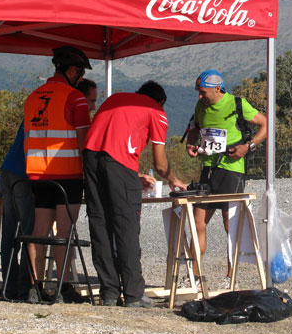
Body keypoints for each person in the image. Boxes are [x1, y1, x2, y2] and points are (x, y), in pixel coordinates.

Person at [82, 80, 187, 307]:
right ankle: (133, 294)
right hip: (119, 164)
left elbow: (108, 146)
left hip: (90, 159)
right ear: (161, 102)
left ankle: (109, 292)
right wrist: (174, 180)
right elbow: (160, 164)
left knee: (100, 224)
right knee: (126, 225)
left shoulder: (115, 99)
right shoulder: (155, 111)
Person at [185, 69, 267, 289]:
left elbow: (265, 124)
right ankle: (194, 276)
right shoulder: (200, 106)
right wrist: (191, 145)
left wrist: (247, 147)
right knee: (197, 222)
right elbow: (195, 129)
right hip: (208, 168)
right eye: (198, 93)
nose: (200, 97)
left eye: (203, 93)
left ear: (217, 88)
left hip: (232, 168)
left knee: (229, 224)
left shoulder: (237, 104)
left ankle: (230, 277)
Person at [23, 46, 92, 303]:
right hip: (68, 173)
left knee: (39, 230)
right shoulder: (75, 98)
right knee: (64, 231)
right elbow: (84, 141)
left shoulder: (32, 98)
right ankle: (63, 288)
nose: (82, 78)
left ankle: (34, 287)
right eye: (81, 73)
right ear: (71, 70)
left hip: (38, 174)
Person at [0, 121, 33, 301]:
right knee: (30, 234)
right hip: (24, 174)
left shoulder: (31, 113)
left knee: (9, 236)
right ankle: (25, 289)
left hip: (8, 169)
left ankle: (8, 288)